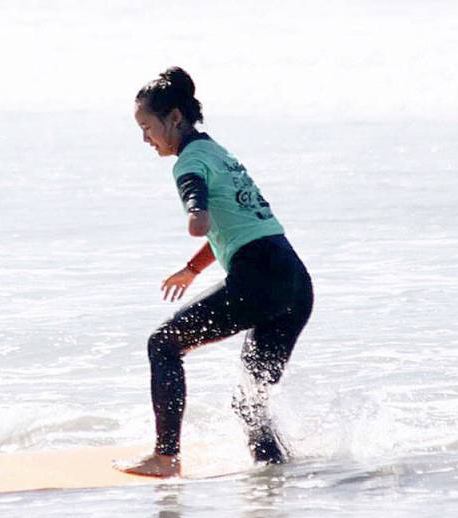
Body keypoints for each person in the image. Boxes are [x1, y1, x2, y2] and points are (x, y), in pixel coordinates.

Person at [117, 67, 314, 478]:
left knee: (163, 344)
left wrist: (195, 216)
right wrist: (192, 269)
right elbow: (239, 226)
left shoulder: (189, 163)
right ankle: (277, 477)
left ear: (173, 118)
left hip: (260, 279)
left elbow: (201, 215)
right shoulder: (219, 153)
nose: (145, 138)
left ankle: (165, 458)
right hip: (294, 283)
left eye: (147, 127)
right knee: (249, 401)